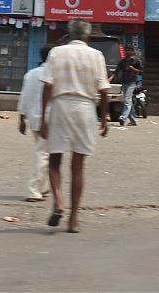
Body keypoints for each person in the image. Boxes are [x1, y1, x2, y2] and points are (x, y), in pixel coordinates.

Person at [39, 19, 109, 233]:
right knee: (78, 167)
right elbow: (104, 91)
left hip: (60, 106)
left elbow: (47, 87)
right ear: (87, 36)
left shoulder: (57, 53)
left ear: (69, 34)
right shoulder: (96, 55)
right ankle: (73, 220)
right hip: (85, 108)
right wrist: (104, 119)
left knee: (54, 161)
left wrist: (43, 117)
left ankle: (58, 201)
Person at [17, 44, 55, 202]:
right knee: (43, 154)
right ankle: (34, 190)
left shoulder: (31, 74)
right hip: (47, 119)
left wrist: (21, 119)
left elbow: (24, 97)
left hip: (33, 118)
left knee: (44, 152)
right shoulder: (54, 74)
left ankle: (44, 186)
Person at [110, 45, 143, 127]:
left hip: (131, 83)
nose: (127, 52)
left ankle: (123, 117)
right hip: (124, 82)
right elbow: (116, 72)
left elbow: (141, 71)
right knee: (129, 102)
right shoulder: (122, 62)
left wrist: (133, 69)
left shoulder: (136, 61)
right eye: (126, 50)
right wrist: (109, 79)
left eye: (129, 50)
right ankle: (134, 121)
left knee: (127, 100)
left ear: (133, 51)